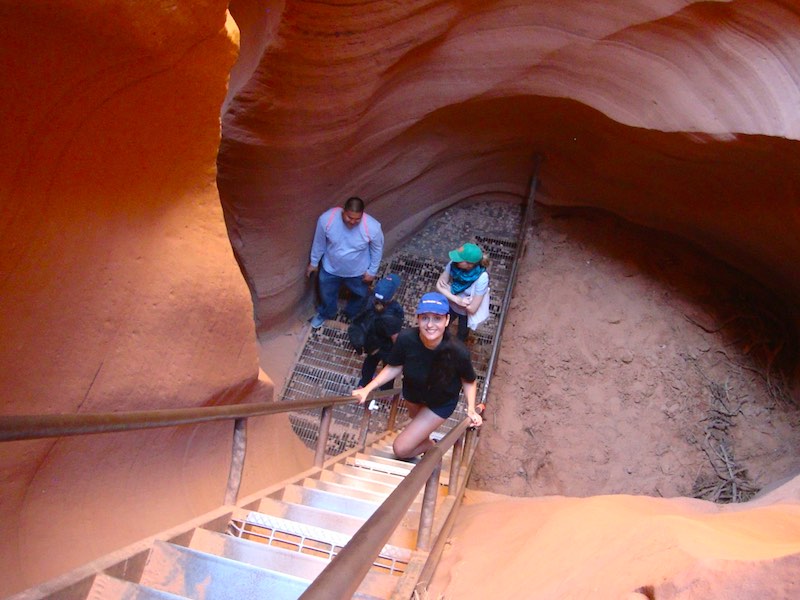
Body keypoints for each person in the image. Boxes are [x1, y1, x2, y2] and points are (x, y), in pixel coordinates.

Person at [353, 292, 483, 459]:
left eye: (437, 318)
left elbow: (468, 380)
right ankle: (425, 442)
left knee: (401, 449)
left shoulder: (457, 350)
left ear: (447, 320)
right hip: (413, 395)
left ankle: (431, 446)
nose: (430, 325)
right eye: (425, 318)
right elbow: (394, 366)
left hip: (439, 403)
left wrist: (471, 409)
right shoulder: (406, 339)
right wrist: (367, 389)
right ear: (417, 318)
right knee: (418, 430)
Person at [307, 197, 384, 328]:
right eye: (349, 217)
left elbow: (377, 249)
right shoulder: (327, 219)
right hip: (330, 268)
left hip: (358, 272)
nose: (353, 222)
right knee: (327, 294)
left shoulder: (373, 227)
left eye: (357, 219)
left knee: (360, 294)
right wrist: (314, 263)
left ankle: (353, 314)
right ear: (343, 211)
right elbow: (319, 242)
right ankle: (326, 313)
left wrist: (372, 271)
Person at [354, 274, 405, 390]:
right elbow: (395, 338)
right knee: (388, 366)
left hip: (371, 342)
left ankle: (364, 383)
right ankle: (385, 390)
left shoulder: (368, 300)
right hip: (387, 348)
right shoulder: (394, 313)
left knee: (370, 362)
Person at [436, 242, 490, 341]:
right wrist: (457, 299)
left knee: (461, 334)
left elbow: (472, 308)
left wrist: (449, 291)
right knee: (442, 326)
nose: (456, 260)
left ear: (469, 264)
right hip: (451, 306)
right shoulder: (453, 264)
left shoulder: (482, 277)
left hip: (465, 314)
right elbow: (439, 285)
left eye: (460, 259)